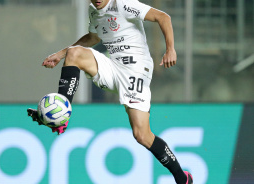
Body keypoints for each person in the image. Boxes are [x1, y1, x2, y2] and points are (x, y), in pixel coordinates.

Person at [27, 0, 193, 183]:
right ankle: (62, 113)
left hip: (135, 70)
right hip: (113, 67)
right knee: (74, 53)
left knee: (142, 135)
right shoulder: (94, 10)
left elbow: (163, 17)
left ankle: (181, 177)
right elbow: (93, 38)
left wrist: (170, 49)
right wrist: (61, 53)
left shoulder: (123, 4)